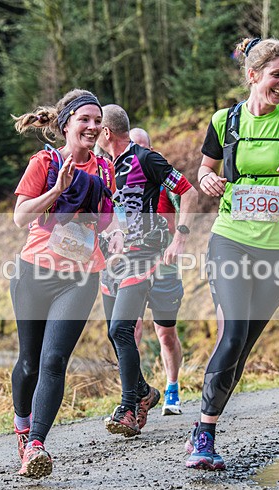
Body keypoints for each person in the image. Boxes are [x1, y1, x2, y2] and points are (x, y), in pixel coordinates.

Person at [187, 38, 279, 470]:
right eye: (277, 75)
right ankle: (204, 435)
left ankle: (207, 428)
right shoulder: (224, 121)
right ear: (253, 76)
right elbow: (205, 170)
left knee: (243, 346)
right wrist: (207, 181)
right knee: (232, 334)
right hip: (230, 239)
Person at [10, 89, 118, 478]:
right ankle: (23, 430)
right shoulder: (45, 161)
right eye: (84, 119)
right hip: (34, 274)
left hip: (81, 276)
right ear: (66, 123)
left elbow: (107, 217)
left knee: (54, 360)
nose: (92, 127)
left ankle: (37, 444)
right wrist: (57, 190)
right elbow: (21, 217)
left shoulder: (105, 169)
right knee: (29, 363)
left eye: (97, 120)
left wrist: (115, 229)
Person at [96, 105, 197, 437]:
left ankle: (129, 406)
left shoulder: (145, 159)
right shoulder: (100, 168)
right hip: (111, 261)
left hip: (144, 256)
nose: (92, 131)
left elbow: (188, 191)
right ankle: (145, 393)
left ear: (106, 132)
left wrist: (179, 239)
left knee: (124, 330)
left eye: (96, 126)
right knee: (116, 332)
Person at [129, 127, 185, 416]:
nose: (137, 153)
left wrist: (178, 240)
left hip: (164, 268)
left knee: (165, 333)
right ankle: (136, 394)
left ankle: (172, 386)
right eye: (132, 146)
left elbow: (187, 203)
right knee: (131, 331)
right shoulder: (121, 182)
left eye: (143, 147)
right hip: (132, 266)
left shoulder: (165, 179)